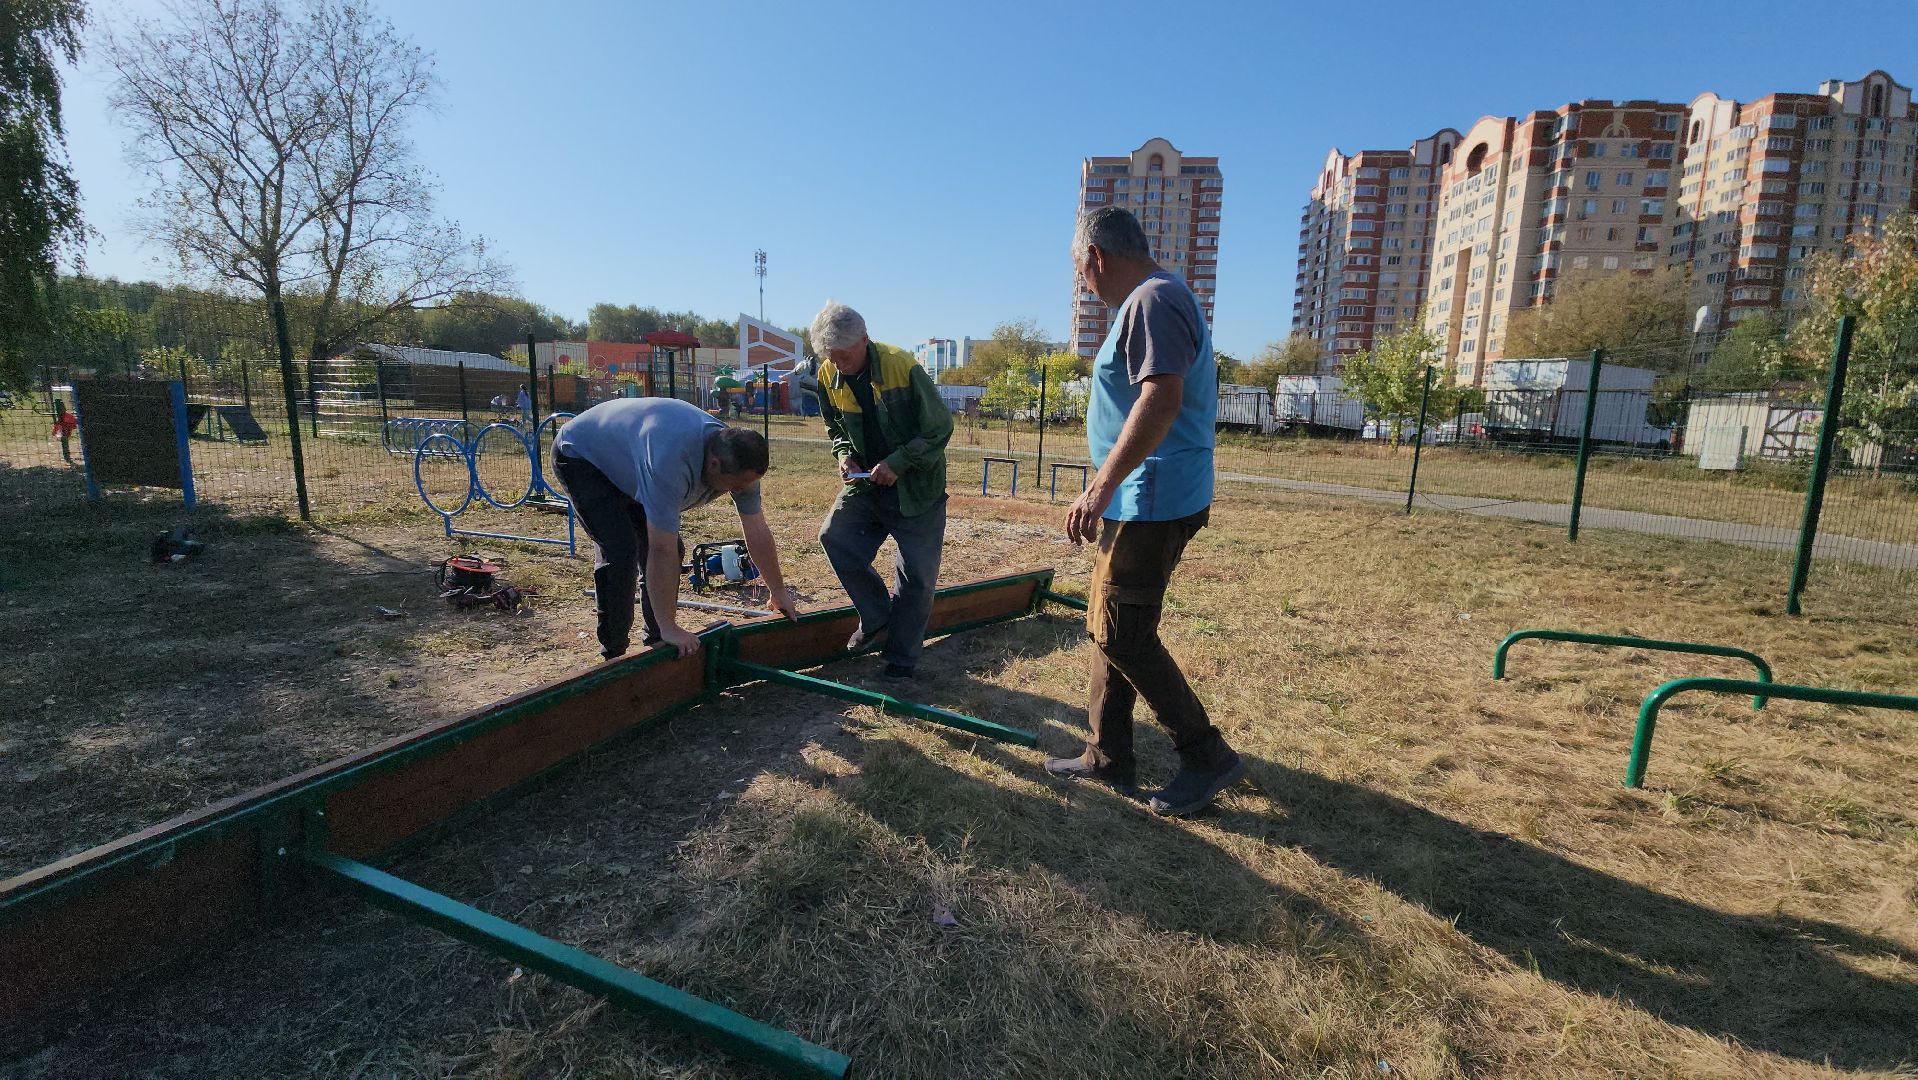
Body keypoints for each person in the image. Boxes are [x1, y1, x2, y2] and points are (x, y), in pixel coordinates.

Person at [1044, 206, 1244, 816]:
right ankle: (1108, 753)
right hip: (1142, 496)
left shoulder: (1154, 299)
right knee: (1109, 623)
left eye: (1081, 271)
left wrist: (1100, 487)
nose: (1084, 284)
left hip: (1151, 498)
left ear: (1097, 256)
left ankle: (1206, 755)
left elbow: (1160, 399)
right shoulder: (1152, 299)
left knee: (1123, 633)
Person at [552, 397, 798, 659]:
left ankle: (657, 640)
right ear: (714, 464)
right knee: (621, 551)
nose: (741, 490)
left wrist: (777, 591)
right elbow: (661, 550)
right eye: (736, 484)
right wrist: (670, 626)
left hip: (632, 453)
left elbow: (757, 529)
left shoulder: (740, 462)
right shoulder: (670, 464)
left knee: (670, 550)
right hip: (583, 456)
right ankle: (614, 654)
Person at [812, 301, 952, 678]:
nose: (838, 364)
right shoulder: (828, 373)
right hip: (866, 486)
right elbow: (835, 427)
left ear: (864, 339)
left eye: (843, 356)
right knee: (835, 537)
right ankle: (876, 617)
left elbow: (939, 428)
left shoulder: (901, 366)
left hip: (918, 490)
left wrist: (898, 463)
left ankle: (900, 661)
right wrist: (844, 455)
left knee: (917, 576)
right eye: (831, 357)